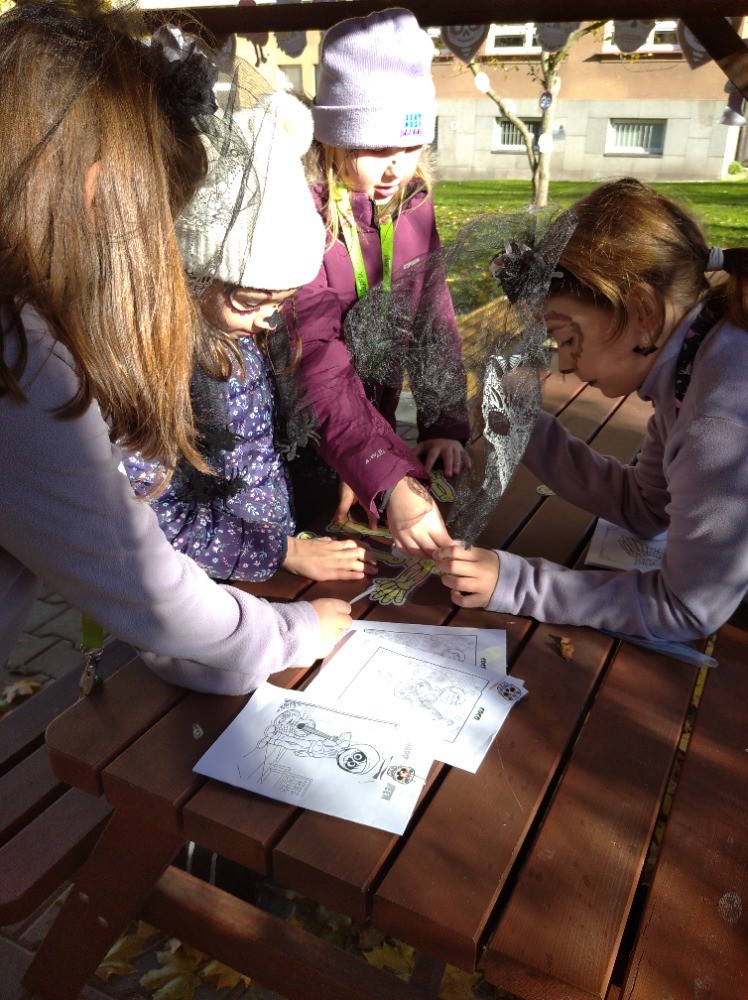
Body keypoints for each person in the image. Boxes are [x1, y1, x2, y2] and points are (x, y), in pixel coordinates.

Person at [0, 0, 350, 695]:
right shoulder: (26, 363)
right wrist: (291, 634)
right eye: (162, 213)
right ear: (100, 188)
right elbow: (141, 581)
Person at [436, 178, 748, 643]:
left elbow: (686, 609)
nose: (564, 364)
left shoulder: (717, 422)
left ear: (643, 310)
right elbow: (647, 508)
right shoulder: (691, 365)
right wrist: (525, 428)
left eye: (567, 339)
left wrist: (516, 584)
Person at [124, 87, 376, 586]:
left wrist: (341, 470)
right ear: (191, 274)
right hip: (195, 590)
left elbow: (281, 431)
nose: (267, 320)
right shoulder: (152, 368)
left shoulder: (243, 333)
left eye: (281, 302)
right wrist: (282, 551)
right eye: (250, 300)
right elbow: (149, 517)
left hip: (271, 561)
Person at [288, 8, 470, 558]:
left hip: (370, 432)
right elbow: (314, 353)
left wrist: (443, 422)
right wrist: (379, 471)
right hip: (298, 437)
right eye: (376, 150)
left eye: (410, 148)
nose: (396, 169)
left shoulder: (411, 203)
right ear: (335, 138)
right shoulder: (300, 216)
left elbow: (432, 315)